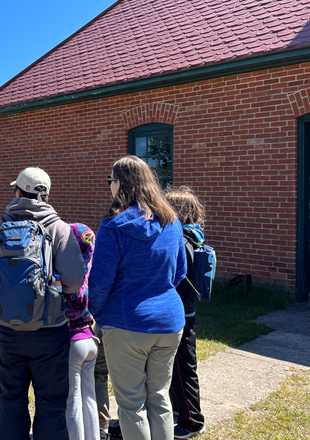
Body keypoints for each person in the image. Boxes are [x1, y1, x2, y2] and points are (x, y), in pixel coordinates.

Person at [0, 167, 86, 440]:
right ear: (45, 195)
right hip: (50, 331)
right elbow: (74, 282)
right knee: (51, 403)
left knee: (11, 401)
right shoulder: (59, 229)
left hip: (8, 332)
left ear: (18, 192)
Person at [88, 156, 186, 440]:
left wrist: (94, 313)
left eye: (111, 181)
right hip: (170, 321)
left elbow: (100, 282)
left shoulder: (113, 226)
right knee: (159, 399)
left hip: (126, 322)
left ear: (120, 184)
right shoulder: (172, 221)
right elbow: (179, 272)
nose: (109, 186)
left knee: (132, 404)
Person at [165, 187, 207, 439]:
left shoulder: (182, 239)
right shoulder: (194, 235)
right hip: (186, 309)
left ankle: (192, 421)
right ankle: (179, 412)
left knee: (182, 368)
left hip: (181, 311)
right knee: (176, 367)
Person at [65, 223, 100, 440]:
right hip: (91, 339)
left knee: (73, 400)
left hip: (73, 342)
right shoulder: (90, 273)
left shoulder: (69, 278)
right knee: (90, 398)